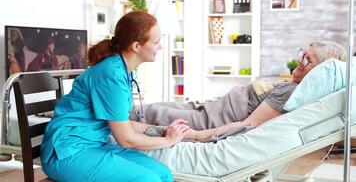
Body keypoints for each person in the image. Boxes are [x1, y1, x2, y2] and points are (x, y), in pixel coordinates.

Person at [41, 11, 190, 182]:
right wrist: (168, 141)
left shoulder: (122, 70)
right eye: (156, 42)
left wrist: (166, 131)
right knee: (149, 180)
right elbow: (126, 139)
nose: (160, 47)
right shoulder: (111, 74)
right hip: (68, 151)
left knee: (164, 175)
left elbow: (124, 125)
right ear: (136, 46)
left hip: (94, 145)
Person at [130, 40, 347, 142]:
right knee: (148, 108)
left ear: (319, 72)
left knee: (148, 113)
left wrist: (197, 136)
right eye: (303, 53)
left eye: (308, 60)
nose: (300, 60)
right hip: (209, 109)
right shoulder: (294, 87)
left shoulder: (291, 94)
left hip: (210, 120)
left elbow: (248, 125)